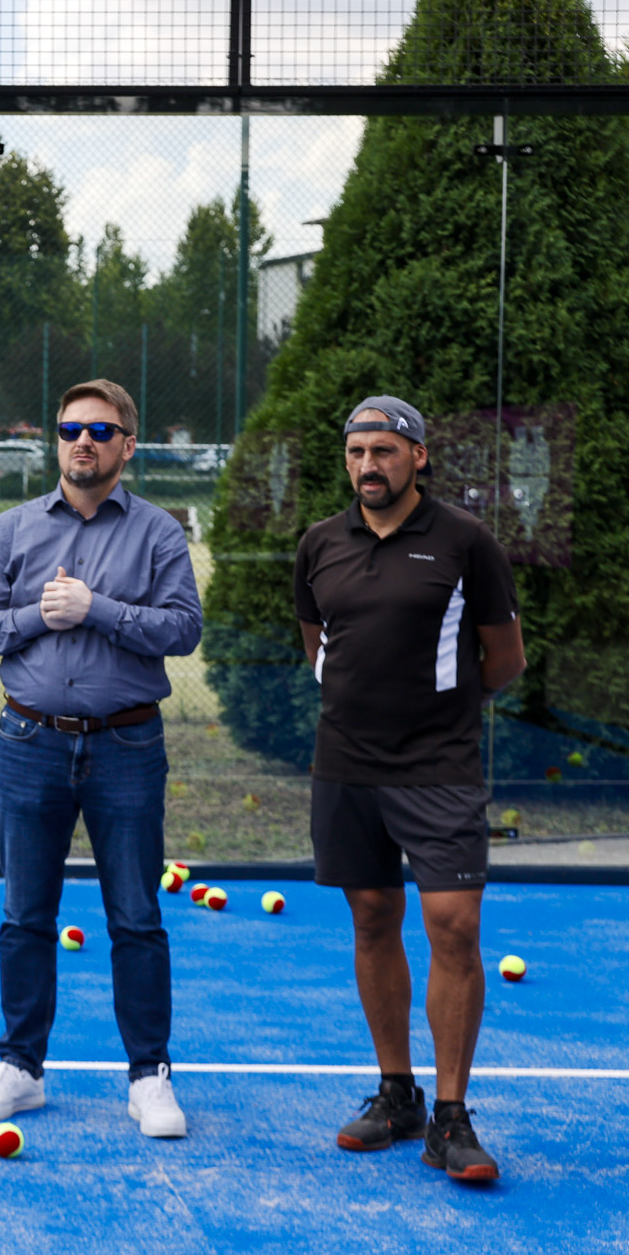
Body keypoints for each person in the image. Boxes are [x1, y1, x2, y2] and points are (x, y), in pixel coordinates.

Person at [0, 379, 202, 1138]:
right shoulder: (14, 528)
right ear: (57, 441)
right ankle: (21, 1067)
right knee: (24, 913)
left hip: (128, 743)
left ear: (128, 445)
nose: (83, 441)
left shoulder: (159, 532)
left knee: (135, 915)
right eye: (71, 429)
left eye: (101, 429)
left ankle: (149, 1075)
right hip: (30, 740)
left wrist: (99, 609)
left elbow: (183, 628)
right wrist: (40, 614)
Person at [294, 396, 525, 1183]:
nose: (368, 465)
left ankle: (451, 1118)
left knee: (454, 926)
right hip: (346, 766)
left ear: (418, 456)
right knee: (371, 916)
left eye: (384, 450)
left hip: (440, 767)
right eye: (357, 451)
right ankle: (398, 1095)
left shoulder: (466, 541)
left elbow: (505, 657)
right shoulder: (320, 542)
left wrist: (440, 711)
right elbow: (317, 643)